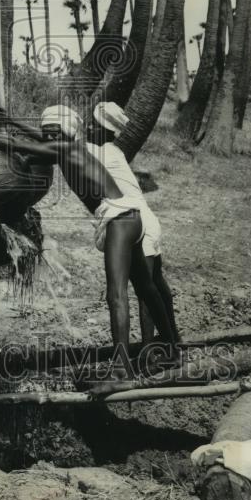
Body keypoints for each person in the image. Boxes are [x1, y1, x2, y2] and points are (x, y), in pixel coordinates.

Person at [0, 104, 178, 361]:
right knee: (146, 287)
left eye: (54, 132)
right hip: (133, 217)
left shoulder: (69, 148)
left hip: (119, 217)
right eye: (46, 132)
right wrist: (14, 125)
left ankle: (121, 370)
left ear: (68, 133)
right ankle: (172, 349)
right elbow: (35, 145)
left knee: (116, 295)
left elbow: (18, 145)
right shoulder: (72, 149)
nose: (49, 137)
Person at [87, 102, 180, 345]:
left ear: (102, 129)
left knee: (145, 290)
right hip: (148, 218)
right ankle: (174, 339)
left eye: (93, 124)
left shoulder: (101, 152)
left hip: (139, 219)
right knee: (156, 283)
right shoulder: (114, 151)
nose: (88, 127)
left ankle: (150, 349)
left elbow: (62, 146)